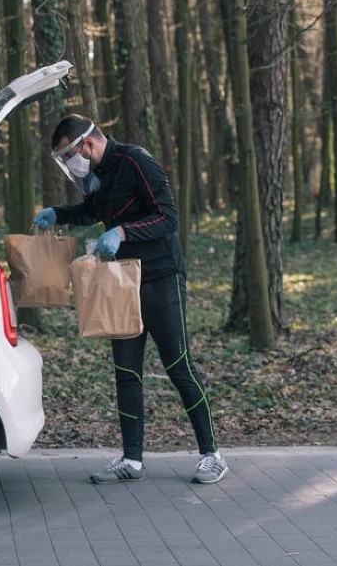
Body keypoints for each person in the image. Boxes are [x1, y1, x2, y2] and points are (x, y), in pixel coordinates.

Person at [34, 114, 228, 484]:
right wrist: (58, 213)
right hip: (121, 281)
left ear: (88, 144)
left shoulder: (136, 161)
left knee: (178, 365)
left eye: (69, 154)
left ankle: (211, 454)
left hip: (160, 277)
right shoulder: (96, 176)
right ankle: (132, 459)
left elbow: (168, 217)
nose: (70, 162)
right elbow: (93, 210)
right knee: (126, 370)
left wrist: (123, 231)